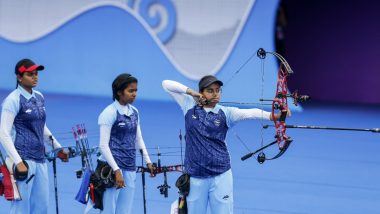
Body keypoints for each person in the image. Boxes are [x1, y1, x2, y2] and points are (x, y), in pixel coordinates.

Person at [162, 75, 290, 214]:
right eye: (210, 90)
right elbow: (166, 84)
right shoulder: (188, 105)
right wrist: (192, 93)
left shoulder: (226, 113)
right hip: (195, 177)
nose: (216, 94)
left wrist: (275, 117)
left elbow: (249, 113)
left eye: (218, 90)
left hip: (220, 176)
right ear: (202, 92)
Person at [0, 58, 69, 214]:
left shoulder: (39, 97)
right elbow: (3, 134)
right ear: (19, 77)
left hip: (40, 158)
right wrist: (18, 162)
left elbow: (41, 125)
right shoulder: (12, 100)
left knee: (41, 207)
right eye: (30, 74)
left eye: (36, 74)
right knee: (21, 208)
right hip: (23, 159)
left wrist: (57, 148)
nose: (35, 77)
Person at [97, 73, 154, 214]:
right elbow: (103, 146)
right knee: (109, 210)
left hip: (129, 167)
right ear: (119, 92)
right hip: (111, 170)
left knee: (125, 211)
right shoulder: (109, 112)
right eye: (130, 91)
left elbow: (138, 139)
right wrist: (117, 171)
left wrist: (148, 161)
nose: (134, 94)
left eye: (135, 90)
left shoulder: (134, 112)